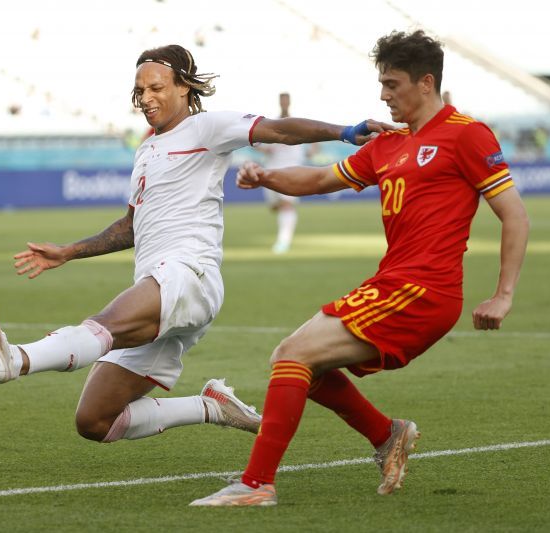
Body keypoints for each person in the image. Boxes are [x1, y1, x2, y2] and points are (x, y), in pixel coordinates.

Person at [0, 44, 381, 448]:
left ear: (184, 86)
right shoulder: (147, 149)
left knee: (106, 325)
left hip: (189, 272)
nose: (146, 99)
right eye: (140, 91)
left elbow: (279, 129)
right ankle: (210, 406)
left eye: (156, 88)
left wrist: (343, 132)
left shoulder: (206, 128)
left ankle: (17, 359)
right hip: (160, 284)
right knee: (95, 421)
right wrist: (68, 252)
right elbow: (131, 227)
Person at [190, 30, 529, 507]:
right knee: (307, 364)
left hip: (424, 290)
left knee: (293, 355)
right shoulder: (388, 143)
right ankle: (386, 434)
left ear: (425, 83)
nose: (384, 94)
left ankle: (256, 484)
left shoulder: (467, 134)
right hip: (391, 283)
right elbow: (321, 177)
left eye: (392, 84)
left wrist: (504, 294)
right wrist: (266, 176)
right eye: (382, 84)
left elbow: (514, 213)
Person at [254, 92, 308, 254]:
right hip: (272, 169)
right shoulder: (272, 124)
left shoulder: (299, 124)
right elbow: (258, 143)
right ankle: (284, 234)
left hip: (292, 168)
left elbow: (314, 142)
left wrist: (311, 150)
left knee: (287, 204)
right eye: (282, 100)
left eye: (286, 100)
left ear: (289, 102)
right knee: (276, 206)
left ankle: (283, 242)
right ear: (280, 102)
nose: (284, 103)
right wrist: (265, 148)